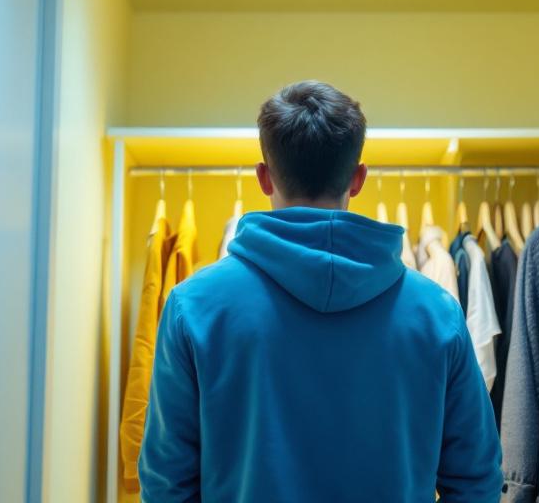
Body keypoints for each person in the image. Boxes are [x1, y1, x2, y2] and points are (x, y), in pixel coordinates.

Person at [139, 80, 503, 501]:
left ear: (263, 176)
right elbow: (477, 482)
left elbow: (167, 486)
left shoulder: (194, 306)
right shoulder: (437, 313)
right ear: (358, 178)